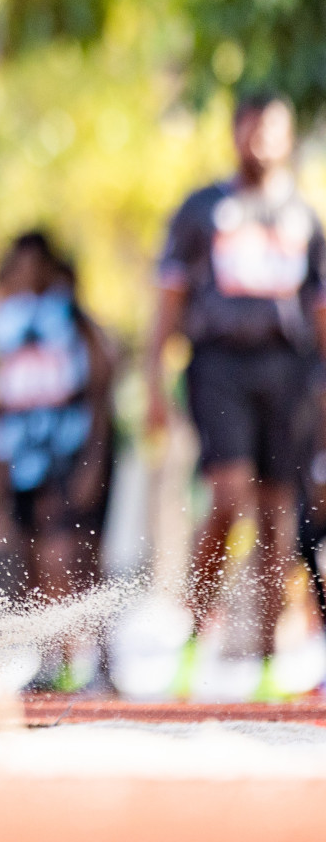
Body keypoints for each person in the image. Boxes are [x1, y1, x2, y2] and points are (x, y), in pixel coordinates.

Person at [147, 94, 326, 701]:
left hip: (289, 372)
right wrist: (152, 381)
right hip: (219, 366)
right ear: (234, 133)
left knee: (279, 516)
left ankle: (271, 661)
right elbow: (168, 303)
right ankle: (194, 640)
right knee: (228, 500)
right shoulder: (202, 210)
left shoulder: (304, 216)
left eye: (274, 128)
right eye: (251, 126)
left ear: (288, 136)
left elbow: (320, 312)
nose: (261, 139)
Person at [0, 231, 115, 690]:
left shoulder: (75, 322)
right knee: (34, 558)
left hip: (71, 452)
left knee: (74, 556)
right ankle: (49, 661)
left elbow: (101, 391)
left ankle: (99, 664)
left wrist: (93, 462)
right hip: (24, 457)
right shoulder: (5, 328)